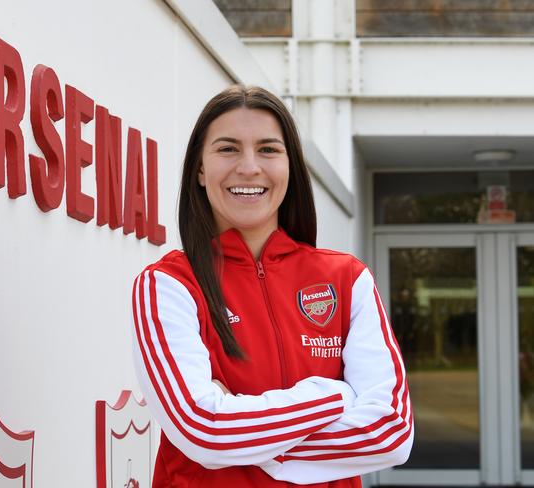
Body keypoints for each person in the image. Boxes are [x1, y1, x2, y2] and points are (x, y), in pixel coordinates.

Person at [131, 85, 413, 487]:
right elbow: (204, 430)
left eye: (267, 149)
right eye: (228, 149)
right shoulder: (168, 284)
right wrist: (335, 396)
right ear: (199, 169)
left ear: (290, 167)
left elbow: (391, 433)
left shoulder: (347, 279)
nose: (249, 167)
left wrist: (247, 438)